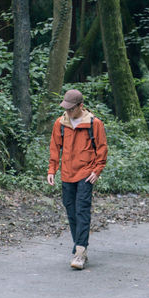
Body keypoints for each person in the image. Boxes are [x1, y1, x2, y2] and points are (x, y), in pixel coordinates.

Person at [47, 88, 108, 270]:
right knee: (71, 210)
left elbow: (102, 149)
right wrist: (52, 170)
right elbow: (54, 147)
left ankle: (80, 252)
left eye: (71, 108)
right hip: (66, 173)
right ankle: (79, 247)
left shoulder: (94, 123)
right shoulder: (60, 123)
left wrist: (97, 170)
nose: (68, 112)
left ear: (81, 106)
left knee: (82, 210)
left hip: (86, 174)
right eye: (66, 108)